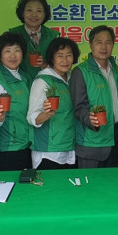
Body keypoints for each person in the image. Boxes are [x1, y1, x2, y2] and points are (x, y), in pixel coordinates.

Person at [70, 25, 118, 168]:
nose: (103, 47)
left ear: (113, 44)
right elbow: (79, 107)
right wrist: (91, 120)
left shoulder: (115, 68)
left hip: (115, 137)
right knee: (91, 182)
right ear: (90, 44)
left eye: (108, 42)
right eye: (99, 42)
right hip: (92, 143)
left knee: (114, 180)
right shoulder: (80, 72)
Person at [0, 0, 60, 81]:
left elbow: (60, 66)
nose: (34, 14)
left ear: (45, 14)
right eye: (29, 10)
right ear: (22, 13)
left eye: (39, 11)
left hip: (47, 85)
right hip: (18, 85)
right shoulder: (12, 34)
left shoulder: (54, 36)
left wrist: (44, 64)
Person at [27, 37, 80, 170]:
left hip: (69, 147)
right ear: (52, 58)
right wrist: (47, 114)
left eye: (69, 55)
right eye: (60, 56)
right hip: (48, 152)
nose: (65, 60)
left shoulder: (73, 78)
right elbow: (32, 117)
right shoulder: (43, 81)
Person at [0, 32, 32, 171]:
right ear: (0, 55)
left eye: (17, 50)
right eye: (7, 51)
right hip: (9, 149)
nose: (13, 56)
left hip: (26, 144)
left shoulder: (23, 76)